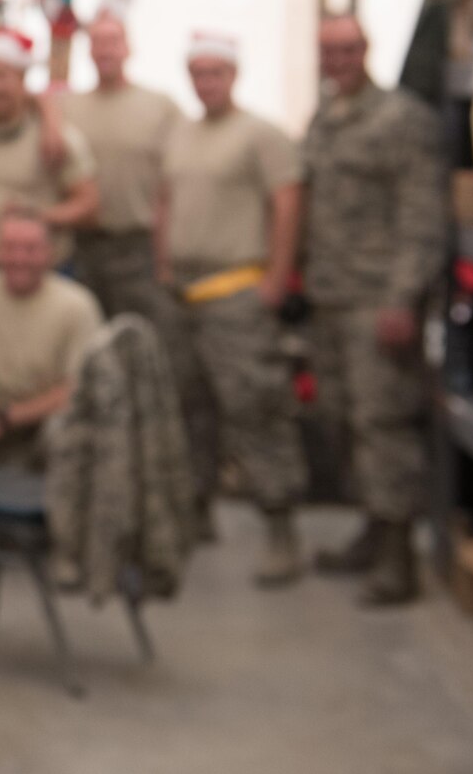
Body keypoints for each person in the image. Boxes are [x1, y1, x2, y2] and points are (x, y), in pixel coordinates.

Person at [301, 14, 449, 607]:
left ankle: (398, 557)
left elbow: (422, 216)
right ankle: (371, 526)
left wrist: (403, 298)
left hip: (376, 302)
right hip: (329, 296)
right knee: (338, 420)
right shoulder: (325, 117)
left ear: (366, 49)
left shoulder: (402, 120)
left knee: (382, 424)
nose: (337, 58)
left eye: (347, 48)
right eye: (327, 49)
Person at [160, 32, 309, 586]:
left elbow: (288, 202)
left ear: (234, 75)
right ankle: (196, 512)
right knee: (189, 409)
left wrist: (276, 278)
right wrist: (162, 264)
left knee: (256, 410)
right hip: (184, 296)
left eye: (215, 72)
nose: (206, 82)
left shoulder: (260, 135)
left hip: (237, 294)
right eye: (197, 73)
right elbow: (166, 199)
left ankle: (281, 531)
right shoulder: (183, 135)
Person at [0, 213, 102, 472]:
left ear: (50, 253)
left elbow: (79, 389)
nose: (19, 259)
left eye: (30, 249)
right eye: (11, 248)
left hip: (48, 431)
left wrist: (5, 418)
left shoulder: (78, 306)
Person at [61, 15, 186, 330]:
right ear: (88, 51)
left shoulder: (161, 107)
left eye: (113, 42)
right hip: (82, 247)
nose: (105, 51)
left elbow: (179, 183)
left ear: (128, 48)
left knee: (147, 340)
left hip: (140, 248)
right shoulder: (67, 107)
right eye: (97, 43)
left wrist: (166, 258)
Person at [0, 31, 100, 266]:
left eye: (2, 76)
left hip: (48, 271)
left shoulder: (57, 137)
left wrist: (38, 217)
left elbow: (89, 207)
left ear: (22, 79)